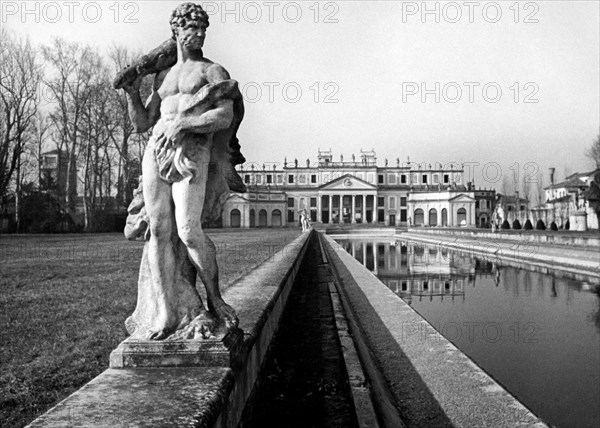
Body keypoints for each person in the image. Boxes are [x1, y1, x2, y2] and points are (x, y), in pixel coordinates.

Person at [121, 3, 242, 339]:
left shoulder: (212, 71)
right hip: (156, 148)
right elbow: (144, 123)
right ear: (177, 30)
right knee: (159, 231)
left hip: (192, 149)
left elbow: (224, 116)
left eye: (203, 28)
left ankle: (215, 299)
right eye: (192, 27)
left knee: (188, 230)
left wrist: (187, 122)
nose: (200, 33)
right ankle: (165, 312)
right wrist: (132, 93)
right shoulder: (163, 77)